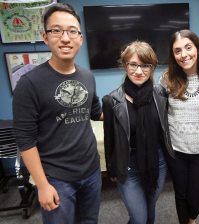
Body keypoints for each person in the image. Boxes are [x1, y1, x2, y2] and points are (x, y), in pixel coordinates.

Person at [13, 3, 102, 224]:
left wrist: (129, 108)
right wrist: (42, 185)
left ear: (80, 38)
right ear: (45, 37)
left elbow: (96, 112)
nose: (65, 38)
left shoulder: (87, 76)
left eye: (72, 31)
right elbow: (25, 140)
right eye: (56, 30)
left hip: (91, 171)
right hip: (57, 178)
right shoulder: (29, 84)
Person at [102, 41, 174, 224]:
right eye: (133, 65)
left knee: (149, 212)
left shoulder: (161, 95)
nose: (139, 71)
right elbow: (109, 139)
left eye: (145, 66)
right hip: (128, 166)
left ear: (152, 68)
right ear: (125, 65)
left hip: (157, 162)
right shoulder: (112, 101)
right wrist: (112, 169)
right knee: (140, 218)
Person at [160, 29, 199, 224]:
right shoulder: (167, 79)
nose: (184, 55)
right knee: (180, 194)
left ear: (198, 48)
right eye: (177, 51)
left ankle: (192, 217)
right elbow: (160, 113)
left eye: (188, 47)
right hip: (177, 150)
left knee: (196, 196)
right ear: (173, 55)